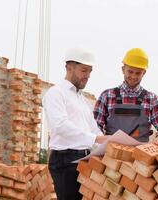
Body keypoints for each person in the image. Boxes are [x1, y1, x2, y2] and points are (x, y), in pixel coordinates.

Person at [43, 48, 109, 200]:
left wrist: (107, 141)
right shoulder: (56, 93)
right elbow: (59, 125)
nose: (87, 76)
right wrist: (94, 139)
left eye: (90, 71)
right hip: (65, 160)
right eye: (84, 70)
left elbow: (93, 128)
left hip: (84, 158)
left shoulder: (82, 100)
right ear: (69, 67)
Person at [94, 48, 158, 144]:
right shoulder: (107, 96)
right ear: (123, 69)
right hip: (111, 154)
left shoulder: (151, 99)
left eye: (138, 73)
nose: (133, 76)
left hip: (139, 156)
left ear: (144, 73)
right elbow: (95, 126)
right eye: (130, 71)